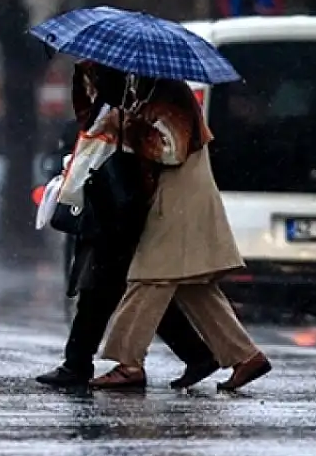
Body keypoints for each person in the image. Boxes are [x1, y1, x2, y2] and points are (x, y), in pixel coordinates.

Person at [36, 62, 219, 389]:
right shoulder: (118, 97)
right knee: (124, 290)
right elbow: (87, 123)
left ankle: (79, 363)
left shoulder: (154, 96)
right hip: (105, 201)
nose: (92, 77)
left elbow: (167, 150)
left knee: (103, 289)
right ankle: (195, 354)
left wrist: (128, 124)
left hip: (121, 205)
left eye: (96, 71)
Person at [88, 75, 271, 391]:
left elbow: (172, 151)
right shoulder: (151, 92)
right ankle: (245, 356)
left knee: (149, 277)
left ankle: (128, 363)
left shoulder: (171, 95)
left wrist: (126, 126)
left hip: (179, 198)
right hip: (178, 196)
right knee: (192, 284)